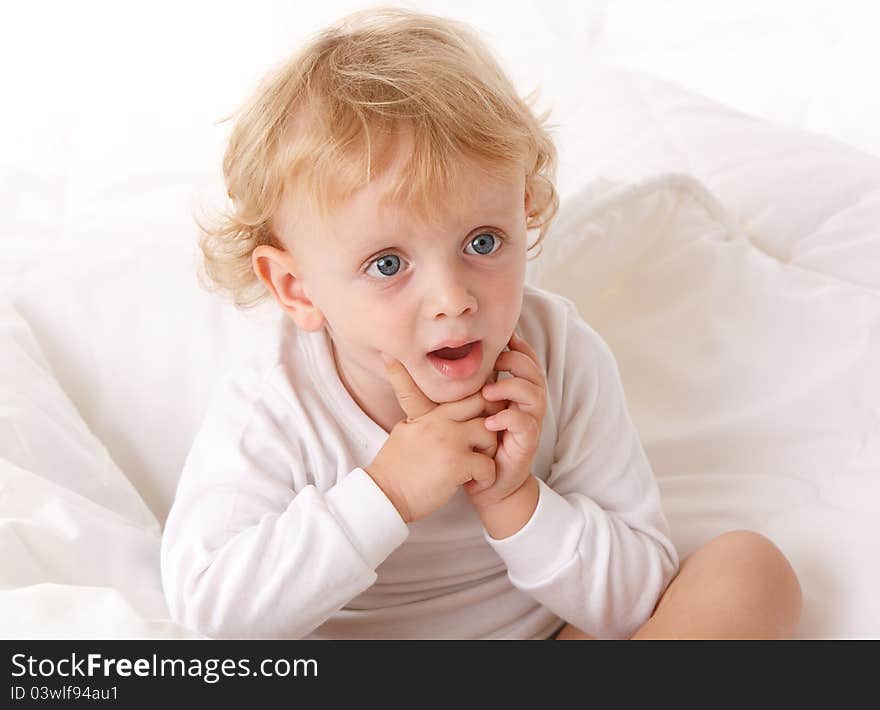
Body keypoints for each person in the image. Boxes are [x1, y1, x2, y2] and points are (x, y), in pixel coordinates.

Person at [161, 6, 802, 640]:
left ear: (522, 212)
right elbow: (212, 614)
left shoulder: (559, 354)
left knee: (750, 569)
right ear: (297, 289)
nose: (453, 298)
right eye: (388, 263)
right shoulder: (274, 406)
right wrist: (389, 491)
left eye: (483, 242)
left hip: (546, 639)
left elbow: (637, 597)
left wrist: (513, 501)